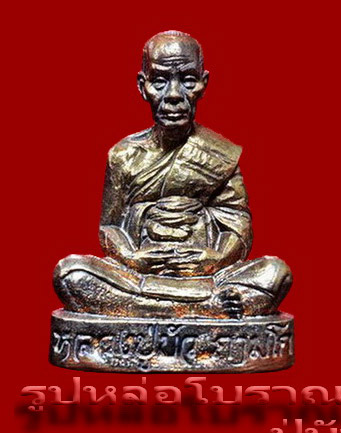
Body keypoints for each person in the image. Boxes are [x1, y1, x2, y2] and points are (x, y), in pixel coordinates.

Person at [53, 31, 292, 319]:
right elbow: (110, 227)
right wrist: (132, 257)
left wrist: (214, 258)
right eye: (160, 82)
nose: (174, 95)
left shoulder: (221, 154)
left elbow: (237, 223)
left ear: (203, 84)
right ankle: (206, 309)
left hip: (206, 276)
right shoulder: (123, 155)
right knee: (70, 273)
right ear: (143, 87)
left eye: (188, 81)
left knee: (275, 273)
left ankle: (146, 309)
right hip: (139, 275)